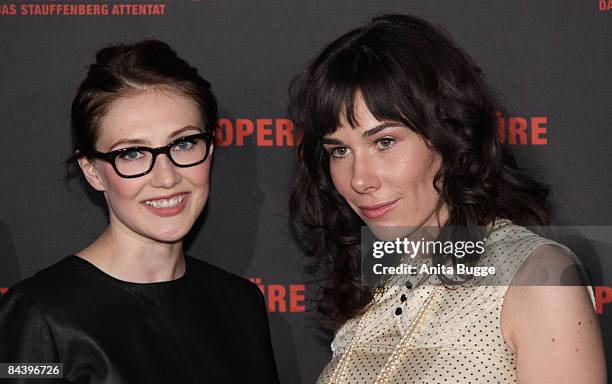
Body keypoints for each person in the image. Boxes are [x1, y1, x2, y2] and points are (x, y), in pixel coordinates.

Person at [288, 14, 606, 383]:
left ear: (448, 135)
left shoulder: (537, 278)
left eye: (384, 142)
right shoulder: (372, 286)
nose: (359, 179)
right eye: (339, 151)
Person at [0, 40, 280, 384]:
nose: (166, 178)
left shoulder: (240, 303)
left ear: (209, 149)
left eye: (184, 143)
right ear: (91, 170)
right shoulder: (39, 315)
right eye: (132, 153)